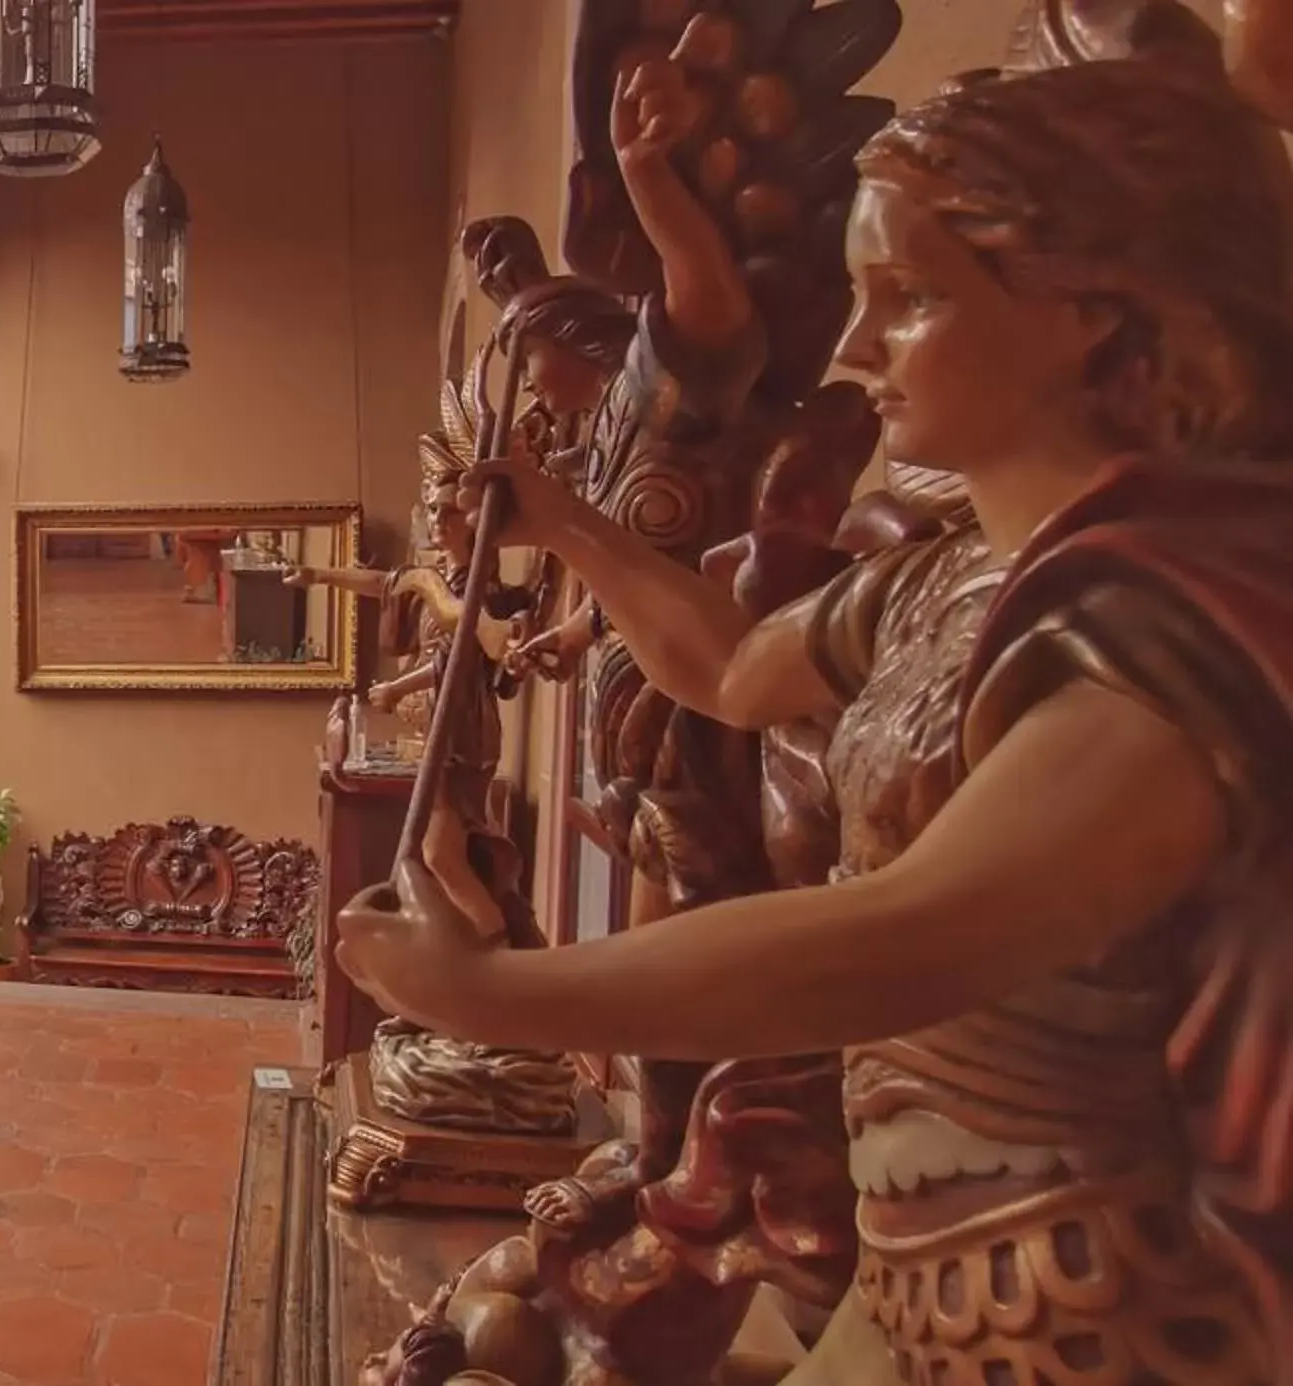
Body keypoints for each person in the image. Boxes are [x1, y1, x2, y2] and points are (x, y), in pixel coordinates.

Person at [336, 19, 1293, 1383]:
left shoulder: (1167, 624)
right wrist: (564, 524)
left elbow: (918, 933)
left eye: (912, 296)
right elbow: (727, 664)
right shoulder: (943, 580)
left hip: (1100, 1301)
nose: (856, 341)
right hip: (926, 1259)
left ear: (1090, 305)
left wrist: (501, 994)